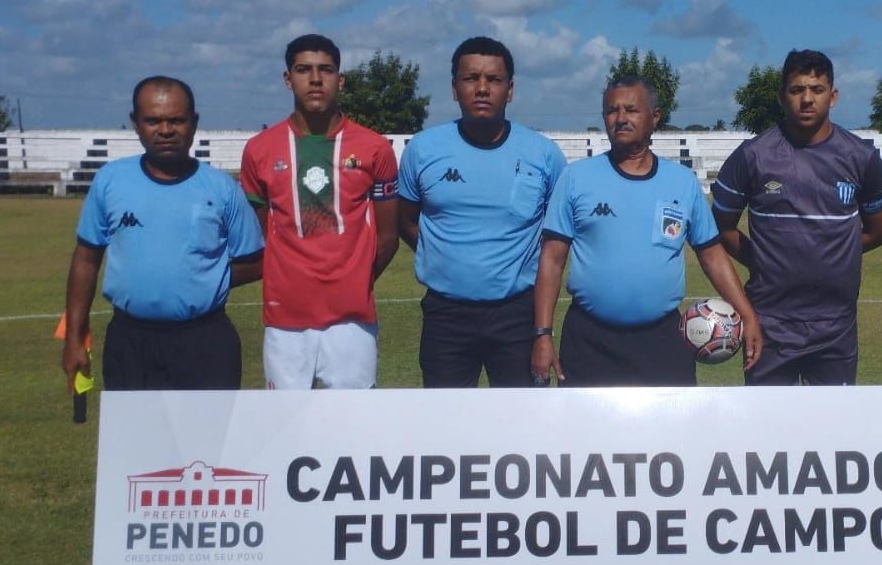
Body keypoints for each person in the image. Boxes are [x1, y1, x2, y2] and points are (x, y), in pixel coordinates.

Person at [531, 77, 762, 387]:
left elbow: (711, 255)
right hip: (588, 340)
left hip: (662, 339)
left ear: (655, 117)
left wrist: (747, 313)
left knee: (670, 432)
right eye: (612, 110)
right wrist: (543, 334)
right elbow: (552, 260)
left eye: (631, 109)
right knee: (587, 435)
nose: (621, 118)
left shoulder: (681, 182)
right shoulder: (576, 178)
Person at [62, 76, 263, 392]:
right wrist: (74, 338)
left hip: (206, 341)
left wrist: (200, 278)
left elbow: (256, 261)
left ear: (193, 123)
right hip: (129, 341)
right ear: (135, 123)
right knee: (134, 440)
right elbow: (86, 260)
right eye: (153, 120)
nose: (166, 130)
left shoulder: (221, 187)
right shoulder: (110, 181)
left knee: (207, 441)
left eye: (176, 120)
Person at [711, 49, 882, 386]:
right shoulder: (752, 156)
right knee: (766, 433)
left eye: (817, 89)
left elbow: (879, 231)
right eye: (797, 90)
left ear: (833, 96)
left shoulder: (862, 158)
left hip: (835, 325)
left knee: (834, 431)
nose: (807, 99)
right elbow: (720, 228)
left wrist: (834, 253)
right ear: (782, 95)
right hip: (769, 322)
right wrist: (761, 260)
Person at [397, 36, 566, 387]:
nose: (482, 88)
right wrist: (447, 258)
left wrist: (542, 329)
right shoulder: (423, 150)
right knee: (446, 430)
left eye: (494, 79)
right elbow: (405, 219)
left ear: (511, 89)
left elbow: (557, 237)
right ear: (455, 88)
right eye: (471, 78)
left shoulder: (543, 155)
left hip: (519, 314)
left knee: (525, 427)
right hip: (446, 315)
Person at [240, 34, 399, 389]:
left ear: (340, 80)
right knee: (286, 430)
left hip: (351, 322)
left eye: (325, 70)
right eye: (304, 70)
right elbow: (263, 233)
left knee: (352, 432)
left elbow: (388, 237)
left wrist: (354, 280)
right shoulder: (259, 150)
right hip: (285, 320)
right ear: (287, 79)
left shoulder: (374, 148)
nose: (315, 79)